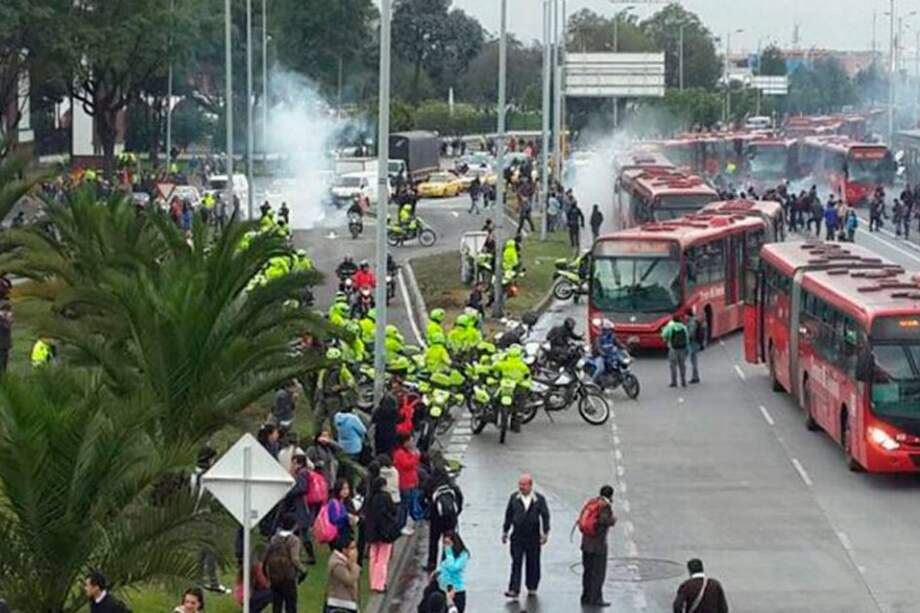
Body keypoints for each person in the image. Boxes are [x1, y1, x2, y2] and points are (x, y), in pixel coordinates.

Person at [502, 473, 551, 599]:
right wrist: (505, 531)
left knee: (533, 562)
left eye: (524, 485)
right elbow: (508, 515)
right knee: (516, 562)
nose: (521, 487)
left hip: (533, 537)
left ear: (530, 485)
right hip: (517, 536)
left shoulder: (539, 499)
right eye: (520, 484)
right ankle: (514, 589)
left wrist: (545, 532)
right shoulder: (514, 498)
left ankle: (532, 586)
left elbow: (545, 515)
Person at [579, 485, 616, 608]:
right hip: (598, 546)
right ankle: (596, 598)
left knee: (587, 572)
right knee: (598, 574)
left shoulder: (593, 502)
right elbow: (603, 520)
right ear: (610, 495)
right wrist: (612, 520)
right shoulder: (604, 506)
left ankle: (585, 596)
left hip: (586, 545)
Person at [425, 464, 464, 571]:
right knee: (448, 539)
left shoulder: (430, 483)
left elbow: (423, 497)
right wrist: (457, 511)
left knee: (434, 540)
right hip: (451, 517)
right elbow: (459, 497)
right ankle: (446, 561)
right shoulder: (451, 484)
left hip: (436, 517)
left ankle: (431, 563)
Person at [365, 476, 400, 592]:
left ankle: (372, 582)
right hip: (385, 532)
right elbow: (394, 510)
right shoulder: (386, 497)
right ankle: (379, 584)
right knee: (382, 559)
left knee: (373, 557)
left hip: (372, 533)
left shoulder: (369, 498)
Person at [264, 514, 305, 613]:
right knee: (291, 606)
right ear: (294, 525)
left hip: (275, 576)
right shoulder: (294, 540)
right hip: (288, 577)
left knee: (277, 605)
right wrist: (303, 570)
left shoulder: (274, 538)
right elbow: (295, 559)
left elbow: (267, 555)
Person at [393, 433, 421, 535]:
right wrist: (415, 456)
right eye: (410, 440)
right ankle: (401, 525)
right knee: (404, 506)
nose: (412, 442)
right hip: (404, 484)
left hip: (411, 482)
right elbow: (407, 465)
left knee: (408, 504)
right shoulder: (399, 453)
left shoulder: (407, 452)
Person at [438, 531, 470, 613]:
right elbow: (443, 567)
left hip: (457, 592)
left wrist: (449, 552)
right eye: (445, 543)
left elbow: (453, 568)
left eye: (448, 543)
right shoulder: (447, 554)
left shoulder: (463, 555)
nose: (446, 546)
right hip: (443, 591)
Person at [326, 539, 361, 613]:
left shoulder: (345, 561)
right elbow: (349, 580)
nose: (355, 551)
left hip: (348, 603)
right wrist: (354, 564)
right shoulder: (337, 564)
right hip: (340, 605)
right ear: (344, 550)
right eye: (352, 548)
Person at [661, 314, 690, 388]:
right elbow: (687, 338)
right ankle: (683, 381)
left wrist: (666, 339)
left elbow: (664, 335)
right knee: (682, 365)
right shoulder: (683, 327)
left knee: (673, 365)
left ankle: (674, 382)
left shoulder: (670, 327)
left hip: (673, 348)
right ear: (680, 319)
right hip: (682, 348)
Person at [686, 310, 706, 384]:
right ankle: (695, 377)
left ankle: (695, 377)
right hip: (696, 343)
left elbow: (691, 333)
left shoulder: (692, 322)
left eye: (685, 316)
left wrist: (686, 338)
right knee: (694, 361)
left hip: (693, 343)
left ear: (688, 315)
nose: (685, 317)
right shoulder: (695, 320)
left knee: (693, 361)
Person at [0, 301, 12, 375]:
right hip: (1, 345)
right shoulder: (2, 320)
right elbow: (6, 327)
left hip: (5, 345)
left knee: (4, 363)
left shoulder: (7, 319)